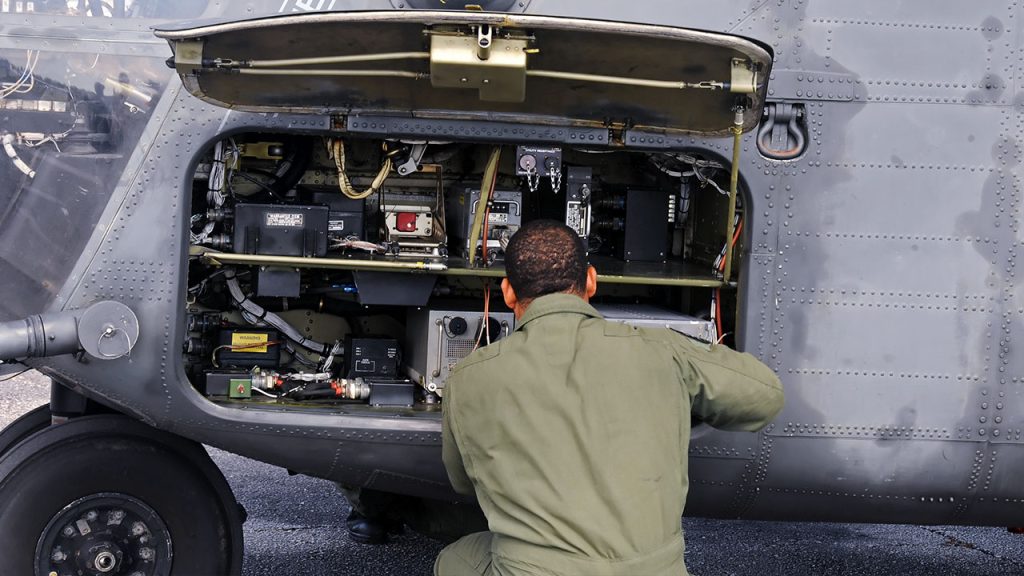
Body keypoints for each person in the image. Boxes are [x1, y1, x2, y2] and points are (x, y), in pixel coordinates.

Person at [435, 220, 784, 576]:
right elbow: (766, 395)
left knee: (452, 559)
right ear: (591, 280)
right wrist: (680, 393)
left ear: (508, 292)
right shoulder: (663, 350)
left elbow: (462, 482)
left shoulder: (469, 378)